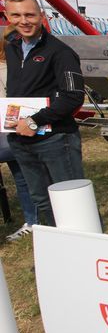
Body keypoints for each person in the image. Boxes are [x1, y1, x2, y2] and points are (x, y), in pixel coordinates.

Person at [3, 0, 86, 227]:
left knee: (72, 200)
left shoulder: (61, 52)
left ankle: (84, 253)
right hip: (20, 140)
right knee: (41, 200)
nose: (24, 21)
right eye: (16, 15)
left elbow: (73, 97)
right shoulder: (13, 48)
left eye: (29, 14)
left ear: (41, 15)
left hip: (56, 140)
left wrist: (33, 121)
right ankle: (57, 249)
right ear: (8, 16)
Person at [0, 25, 38, 240]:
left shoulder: (12, 68)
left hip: (13, 131)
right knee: (25, 178)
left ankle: (34, 221)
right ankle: (33, 221)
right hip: (13, 131)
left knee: (25, 179)